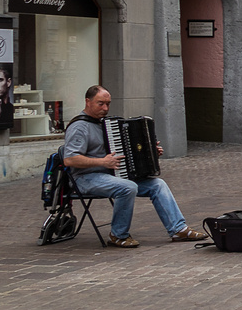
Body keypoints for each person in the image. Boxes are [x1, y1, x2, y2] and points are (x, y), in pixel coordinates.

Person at [61, 85, 208, 247]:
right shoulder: (79, 127)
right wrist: (103, 162)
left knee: (158, 184)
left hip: (110, 175)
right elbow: (70, 159)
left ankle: (178, 229)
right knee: (128, 187)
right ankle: (118, 235)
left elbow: (127, 150)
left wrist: (150, 151)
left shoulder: (106, 123)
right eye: (100, 103)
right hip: (85, 178)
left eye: (108, 104)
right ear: (88, 102)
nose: (105, 108)